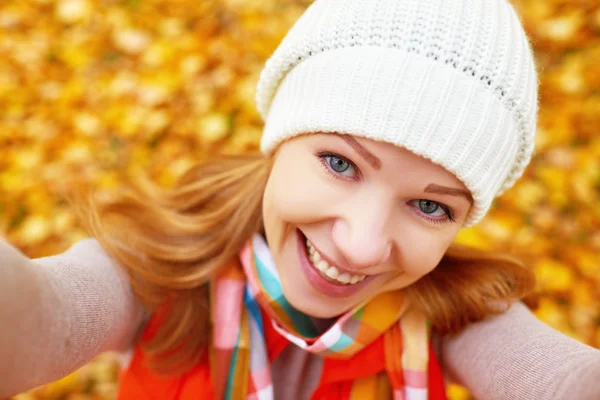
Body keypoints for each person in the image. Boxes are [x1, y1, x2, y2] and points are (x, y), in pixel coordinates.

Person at [2, 0, 600, 398]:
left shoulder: (453, 315)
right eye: (341, 164)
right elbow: (37, 322)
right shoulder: (158, 271)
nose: (362, 245)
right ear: (280, 142)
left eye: (431, 206)